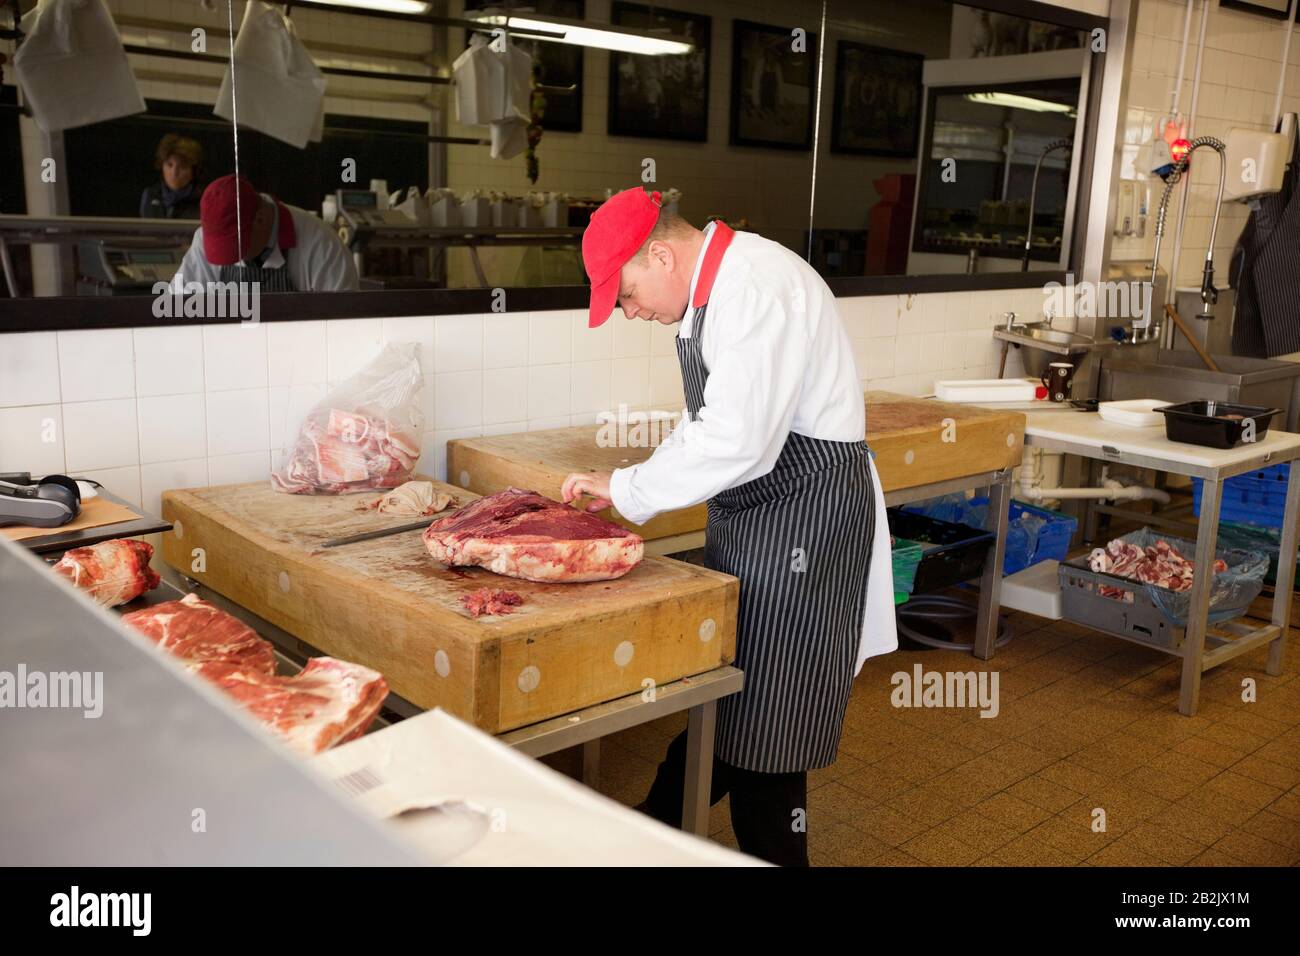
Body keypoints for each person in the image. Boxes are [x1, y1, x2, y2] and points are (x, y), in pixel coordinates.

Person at [560, 188, 896, 866]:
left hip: (801, 522)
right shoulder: (719, 291)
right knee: (728, 694)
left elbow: (738, 440)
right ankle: (650, 831)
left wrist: (631, 490)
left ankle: (739, 848)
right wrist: (628, 481)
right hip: (759, 519)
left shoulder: (756, 287)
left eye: (625, 295)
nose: (629, 313)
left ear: (659, 254)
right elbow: (710, 423)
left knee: (768, 728)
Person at [172, 174, 358, 292]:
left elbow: (343, 328)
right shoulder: (205, 240)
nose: (236, 259)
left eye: (237, 249)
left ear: (260, 219)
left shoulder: (322, 246)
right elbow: (177, 306)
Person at [139, 134, 204, 219]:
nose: (174, 172)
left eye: (183, 166)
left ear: (194, 171)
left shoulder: (203, 199)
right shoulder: (150, 194)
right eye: (169, 165)